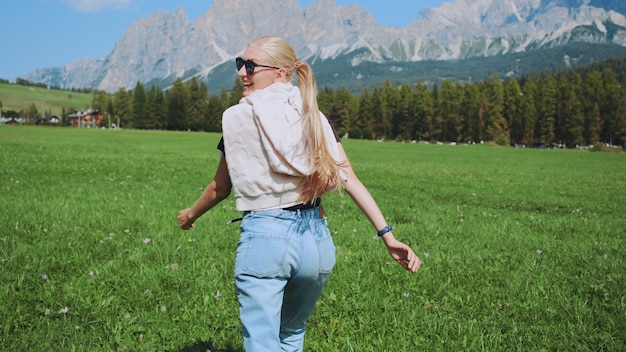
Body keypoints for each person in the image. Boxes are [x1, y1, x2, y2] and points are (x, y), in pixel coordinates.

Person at [177, 36, 420, 352]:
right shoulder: (314, 116)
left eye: (250, 66)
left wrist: (190, 214)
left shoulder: (239, 118)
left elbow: (220, 187)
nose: (241, 73)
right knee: (291, 335)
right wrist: (387, 236)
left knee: (263, 343)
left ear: (280, 73)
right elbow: (349, 178)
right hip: (316, 244)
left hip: (266, 239)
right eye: (240, 64)